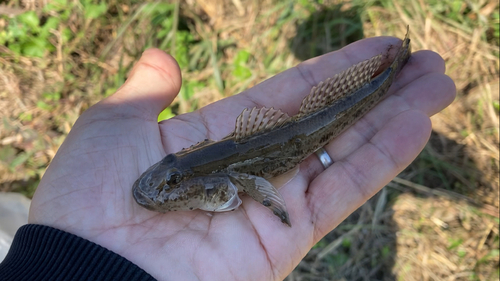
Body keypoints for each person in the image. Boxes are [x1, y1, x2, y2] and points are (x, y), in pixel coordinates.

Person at [0, 35, 455, 280]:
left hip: (302, 134)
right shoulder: (193, 169)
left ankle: (388, 73)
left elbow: (253, 185)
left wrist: (273, 202)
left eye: (174, 185)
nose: (165, 189)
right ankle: (389, 71)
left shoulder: (219, 175)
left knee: (370, 103)